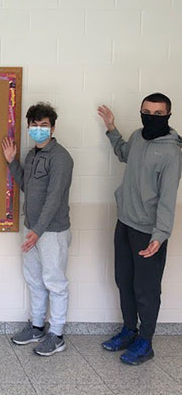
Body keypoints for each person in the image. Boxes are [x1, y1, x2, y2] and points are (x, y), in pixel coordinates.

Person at [97, 93, 182, 365]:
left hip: (149, 232)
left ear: (168, 115)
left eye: (158, 113)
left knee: (146, 289)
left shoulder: (171, 152)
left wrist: (160, 236)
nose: (151, 117)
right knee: (124, 281)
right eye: (146, 111)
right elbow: (124, 153)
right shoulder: (137, 136)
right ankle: (129, 330)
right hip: (124, 223)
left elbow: (169, 198)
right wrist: (111, 128)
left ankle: (146, 341)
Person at [1, 102, 74, 356]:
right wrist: (12, 163)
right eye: (34, 125)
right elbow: (27, 188)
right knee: (34, 280)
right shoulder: (32, 156)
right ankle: (36, 327)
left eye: (44, 125)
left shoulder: (61, 158)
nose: (39, 129)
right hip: (32, 229)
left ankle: (57, 335)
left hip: (51, 232)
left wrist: (38, 232)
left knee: (55, 282)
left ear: (53, 128)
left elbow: (54, 199)